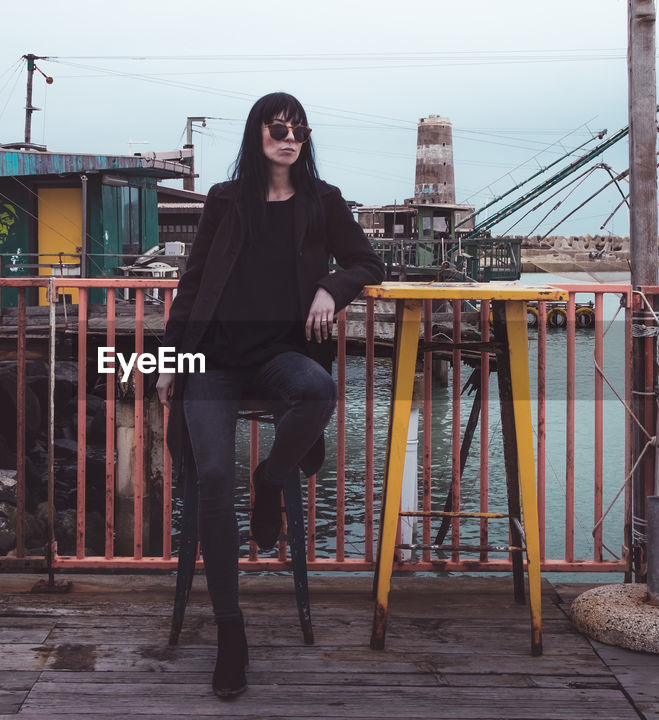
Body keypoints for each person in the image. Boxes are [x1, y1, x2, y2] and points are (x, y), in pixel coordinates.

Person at [156, 92, 385, 698]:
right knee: (208, 478)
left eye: (299, 130)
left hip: (281, 355)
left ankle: (269, 481)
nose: (289, 138)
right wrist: (169, 357)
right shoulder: (225, 200)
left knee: (318, 391)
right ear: (257, 134)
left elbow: (367, 260)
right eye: (278, 127)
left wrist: (332, 289)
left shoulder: (322, 201)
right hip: (212, 360)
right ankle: (231, 634)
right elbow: (194, 282)